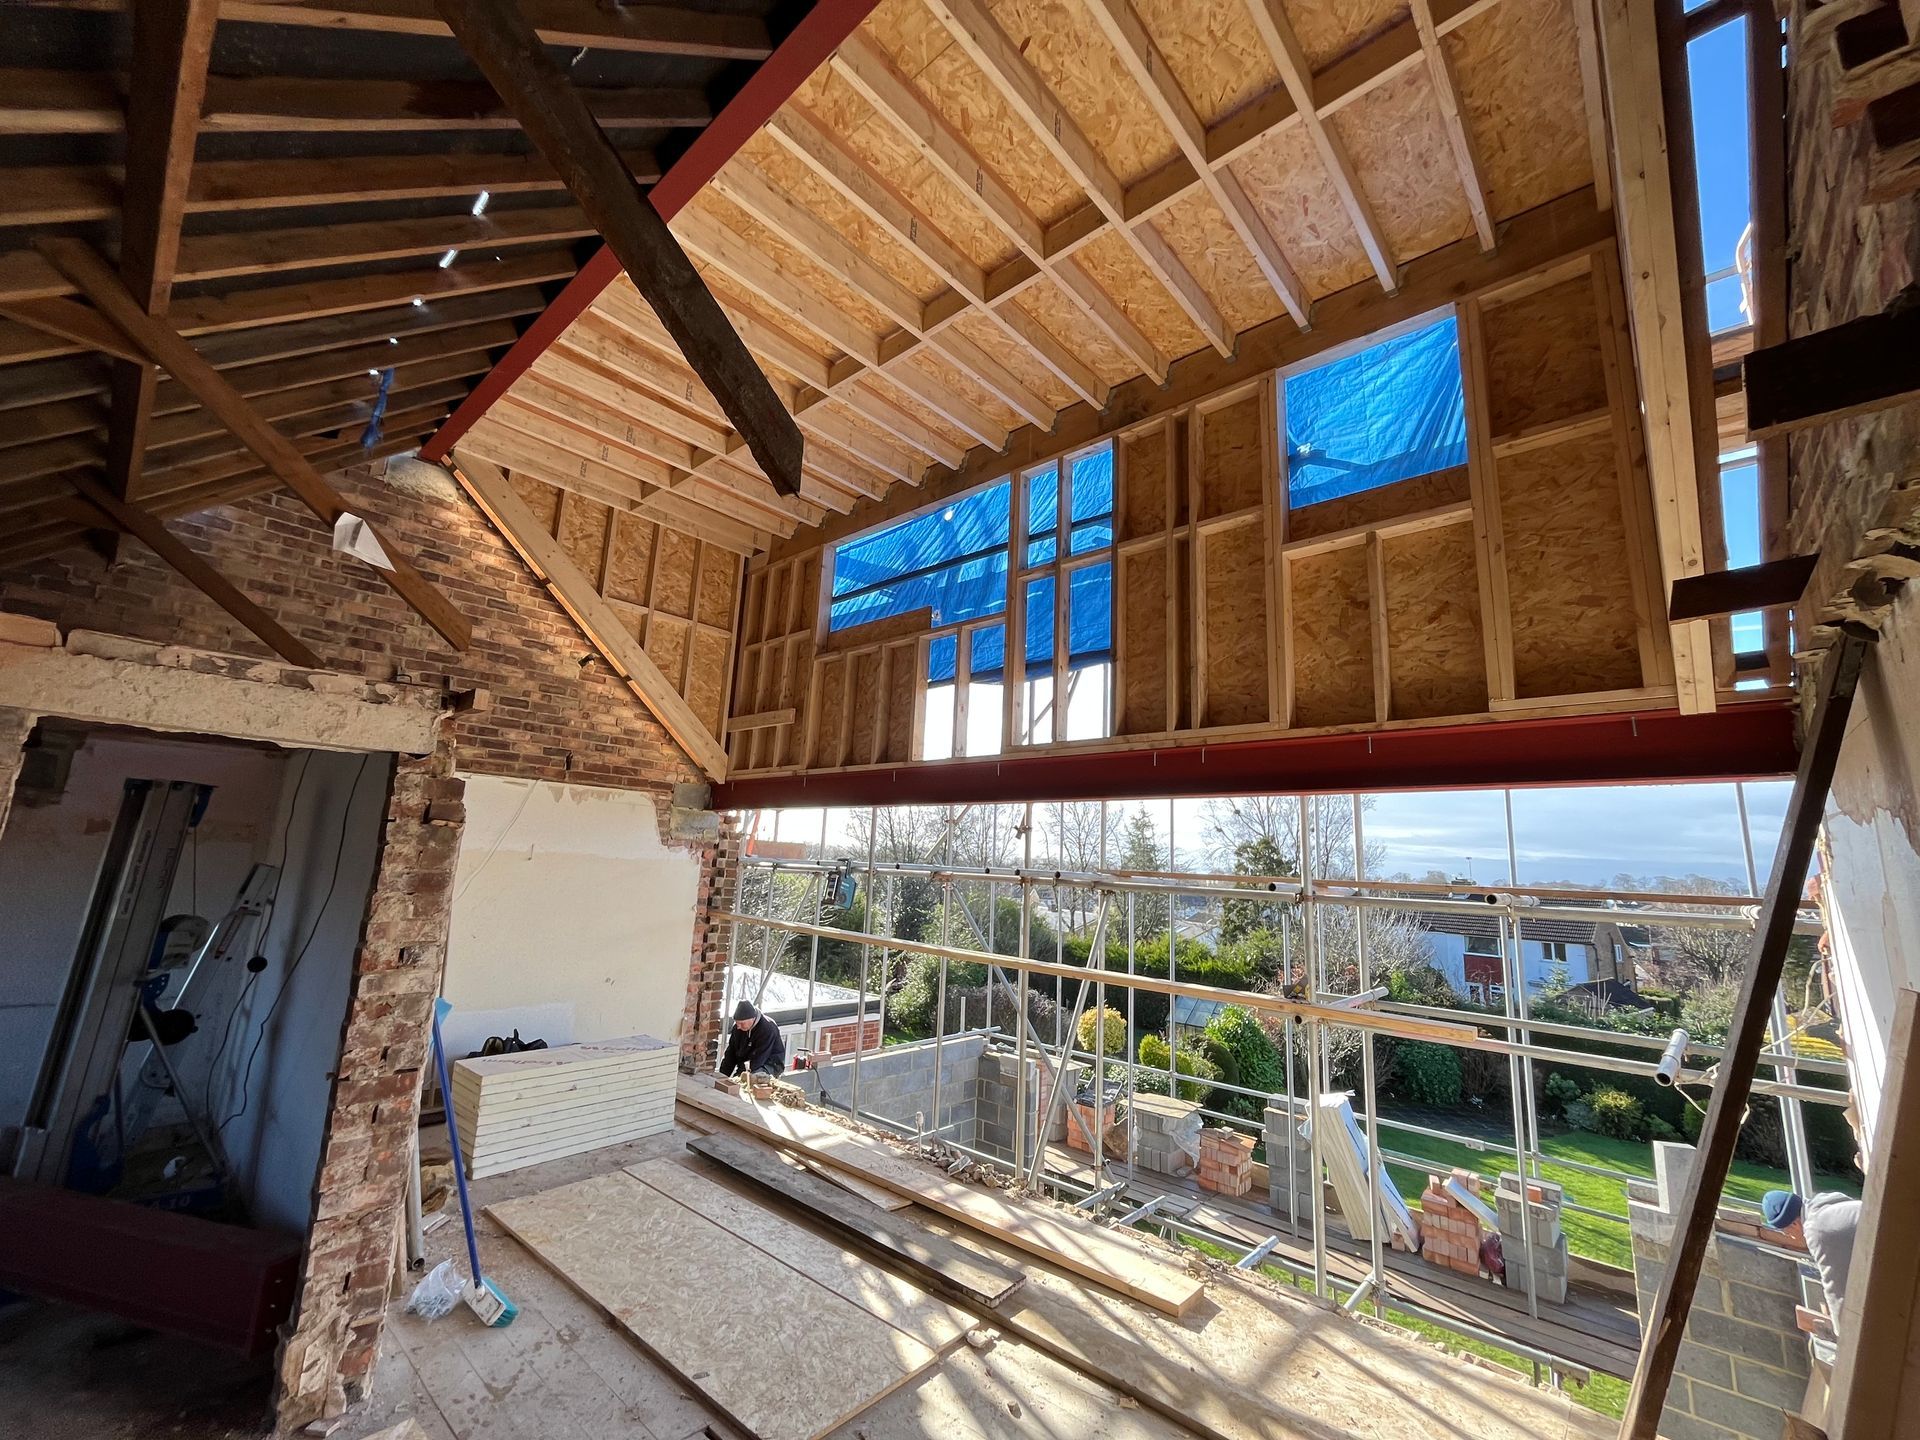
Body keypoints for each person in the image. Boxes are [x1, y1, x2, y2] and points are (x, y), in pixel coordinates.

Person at [1763, 1188, 1861, 1331]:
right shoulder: (1823, 1200)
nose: (1790, 1237)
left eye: (1786, 1232)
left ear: (1795, 1225)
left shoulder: (1815, 1230)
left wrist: (1843, 1333)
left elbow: (1835, 1286)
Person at [718, 1000, 787, 1079]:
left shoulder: (767, 1028)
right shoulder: (737, 1028)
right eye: (737, 1023)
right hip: (747, 1062)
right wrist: (722, 1076)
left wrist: (738, 1077)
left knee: (753, 1077)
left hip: (769, 1063)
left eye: (741, 1023)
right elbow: (730, 1053)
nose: (738, 1027)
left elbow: (759, 1059)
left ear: (753, 1019)